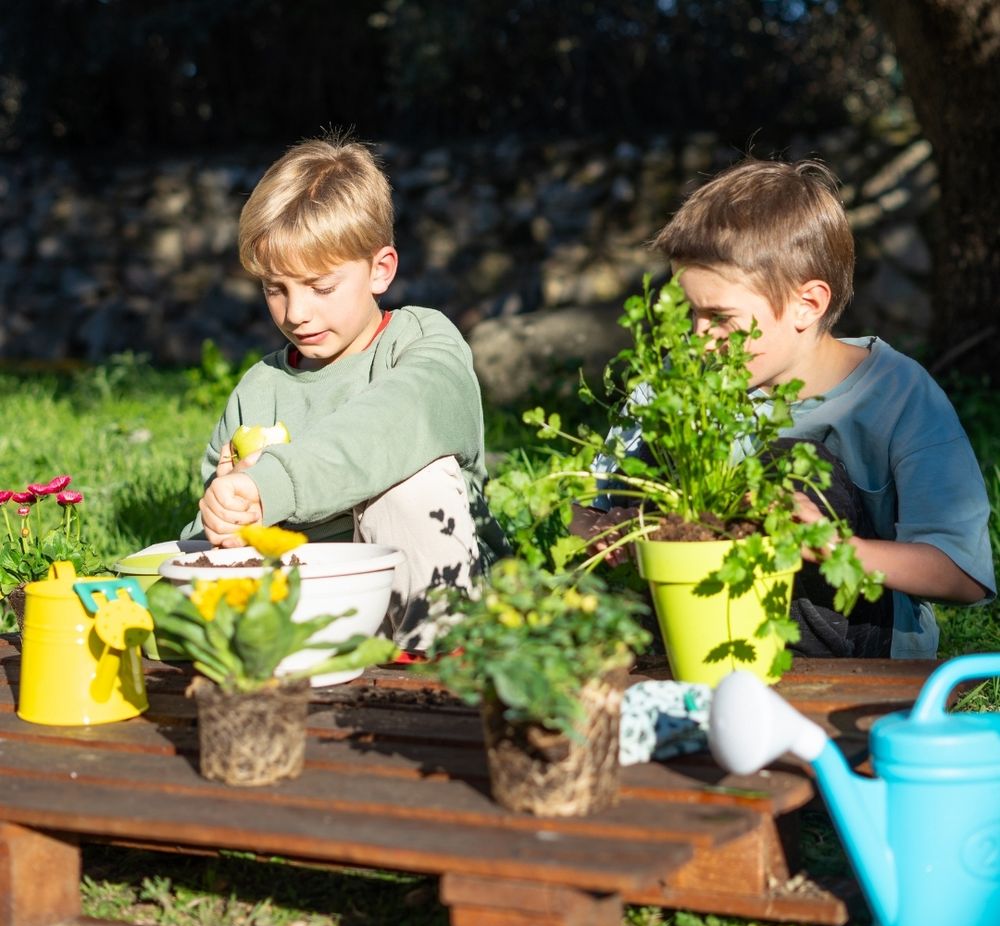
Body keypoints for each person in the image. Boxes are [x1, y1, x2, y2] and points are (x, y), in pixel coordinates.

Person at [572, 157, 994, 659]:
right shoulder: (670, 391)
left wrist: (837, 550)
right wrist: (600, 530)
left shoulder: (897, 394)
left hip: (856, 665)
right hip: (689, 644)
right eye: (689, 313)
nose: (698, 340)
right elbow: (585, 512)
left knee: (795, 468)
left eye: (720, 317)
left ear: (807, 305)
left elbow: (963, 575)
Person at [180, 134, 507, 651]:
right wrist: (228, 513)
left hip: (428, 604)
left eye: (321, 287)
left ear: (381, 270)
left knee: (409, 477)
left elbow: (398, 420)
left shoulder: (422, 342)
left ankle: (441, 663)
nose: (296, 313)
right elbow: (201, 537)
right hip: (313, 618)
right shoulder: (259, 390)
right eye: (275, 289)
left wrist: (274, 483)